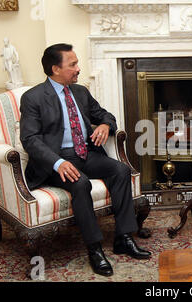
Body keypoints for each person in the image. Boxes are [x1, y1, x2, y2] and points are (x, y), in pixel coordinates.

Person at [19, 43, 151, 277]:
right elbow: (29, 139)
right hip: (56, 162)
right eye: (73, 65)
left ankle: (123, 237)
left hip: (85, 154)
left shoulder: (80, 92)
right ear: (55, 69)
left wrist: (103, 125)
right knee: (81, 184)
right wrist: (57, 162)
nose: (79, 68)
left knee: (120, 171)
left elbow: (106, 115)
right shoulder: (33, 97)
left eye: (77, 63)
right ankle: (95, 249)